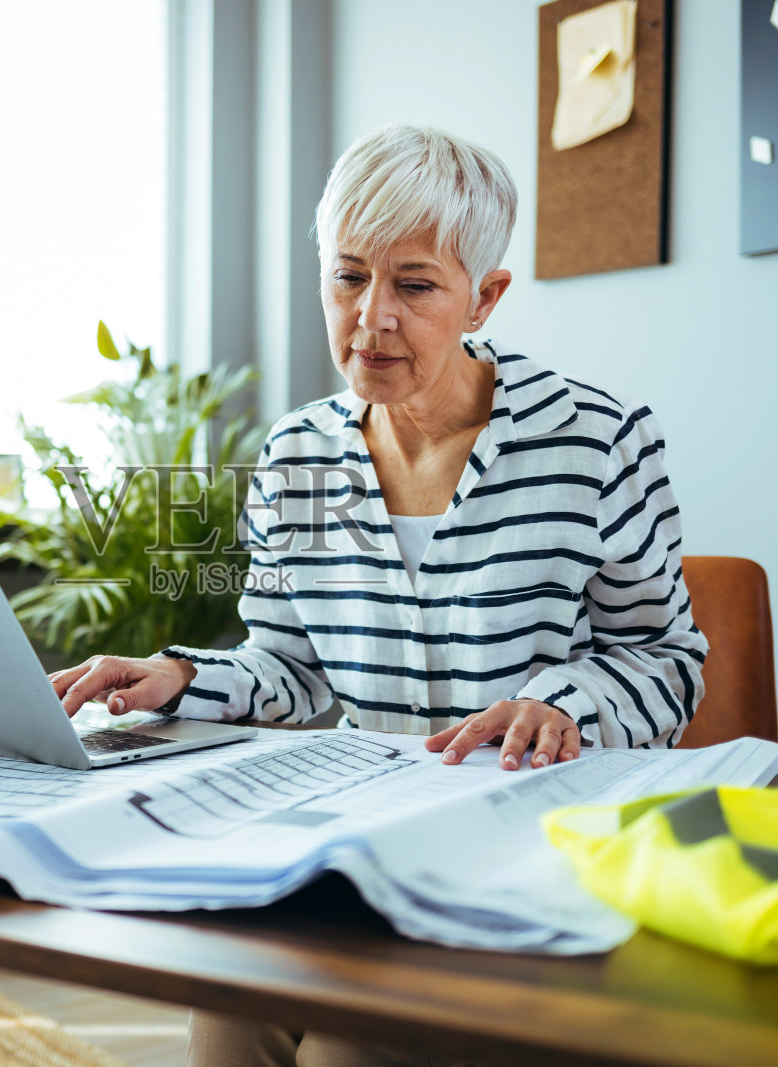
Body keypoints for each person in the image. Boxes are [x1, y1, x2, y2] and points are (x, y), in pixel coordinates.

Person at [51, 124, 707, 1067]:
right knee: (228, 1005)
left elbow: (668, 664)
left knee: (344, 1052)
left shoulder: (599, 440)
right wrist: (176, 675)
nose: (371, 317)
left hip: (529, 845)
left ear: (485, 296)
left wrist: (560, 705)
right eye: (349, 276)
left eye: (415, 284)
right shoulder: (299, 453)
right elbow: (292, 669)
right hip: (357, 838)